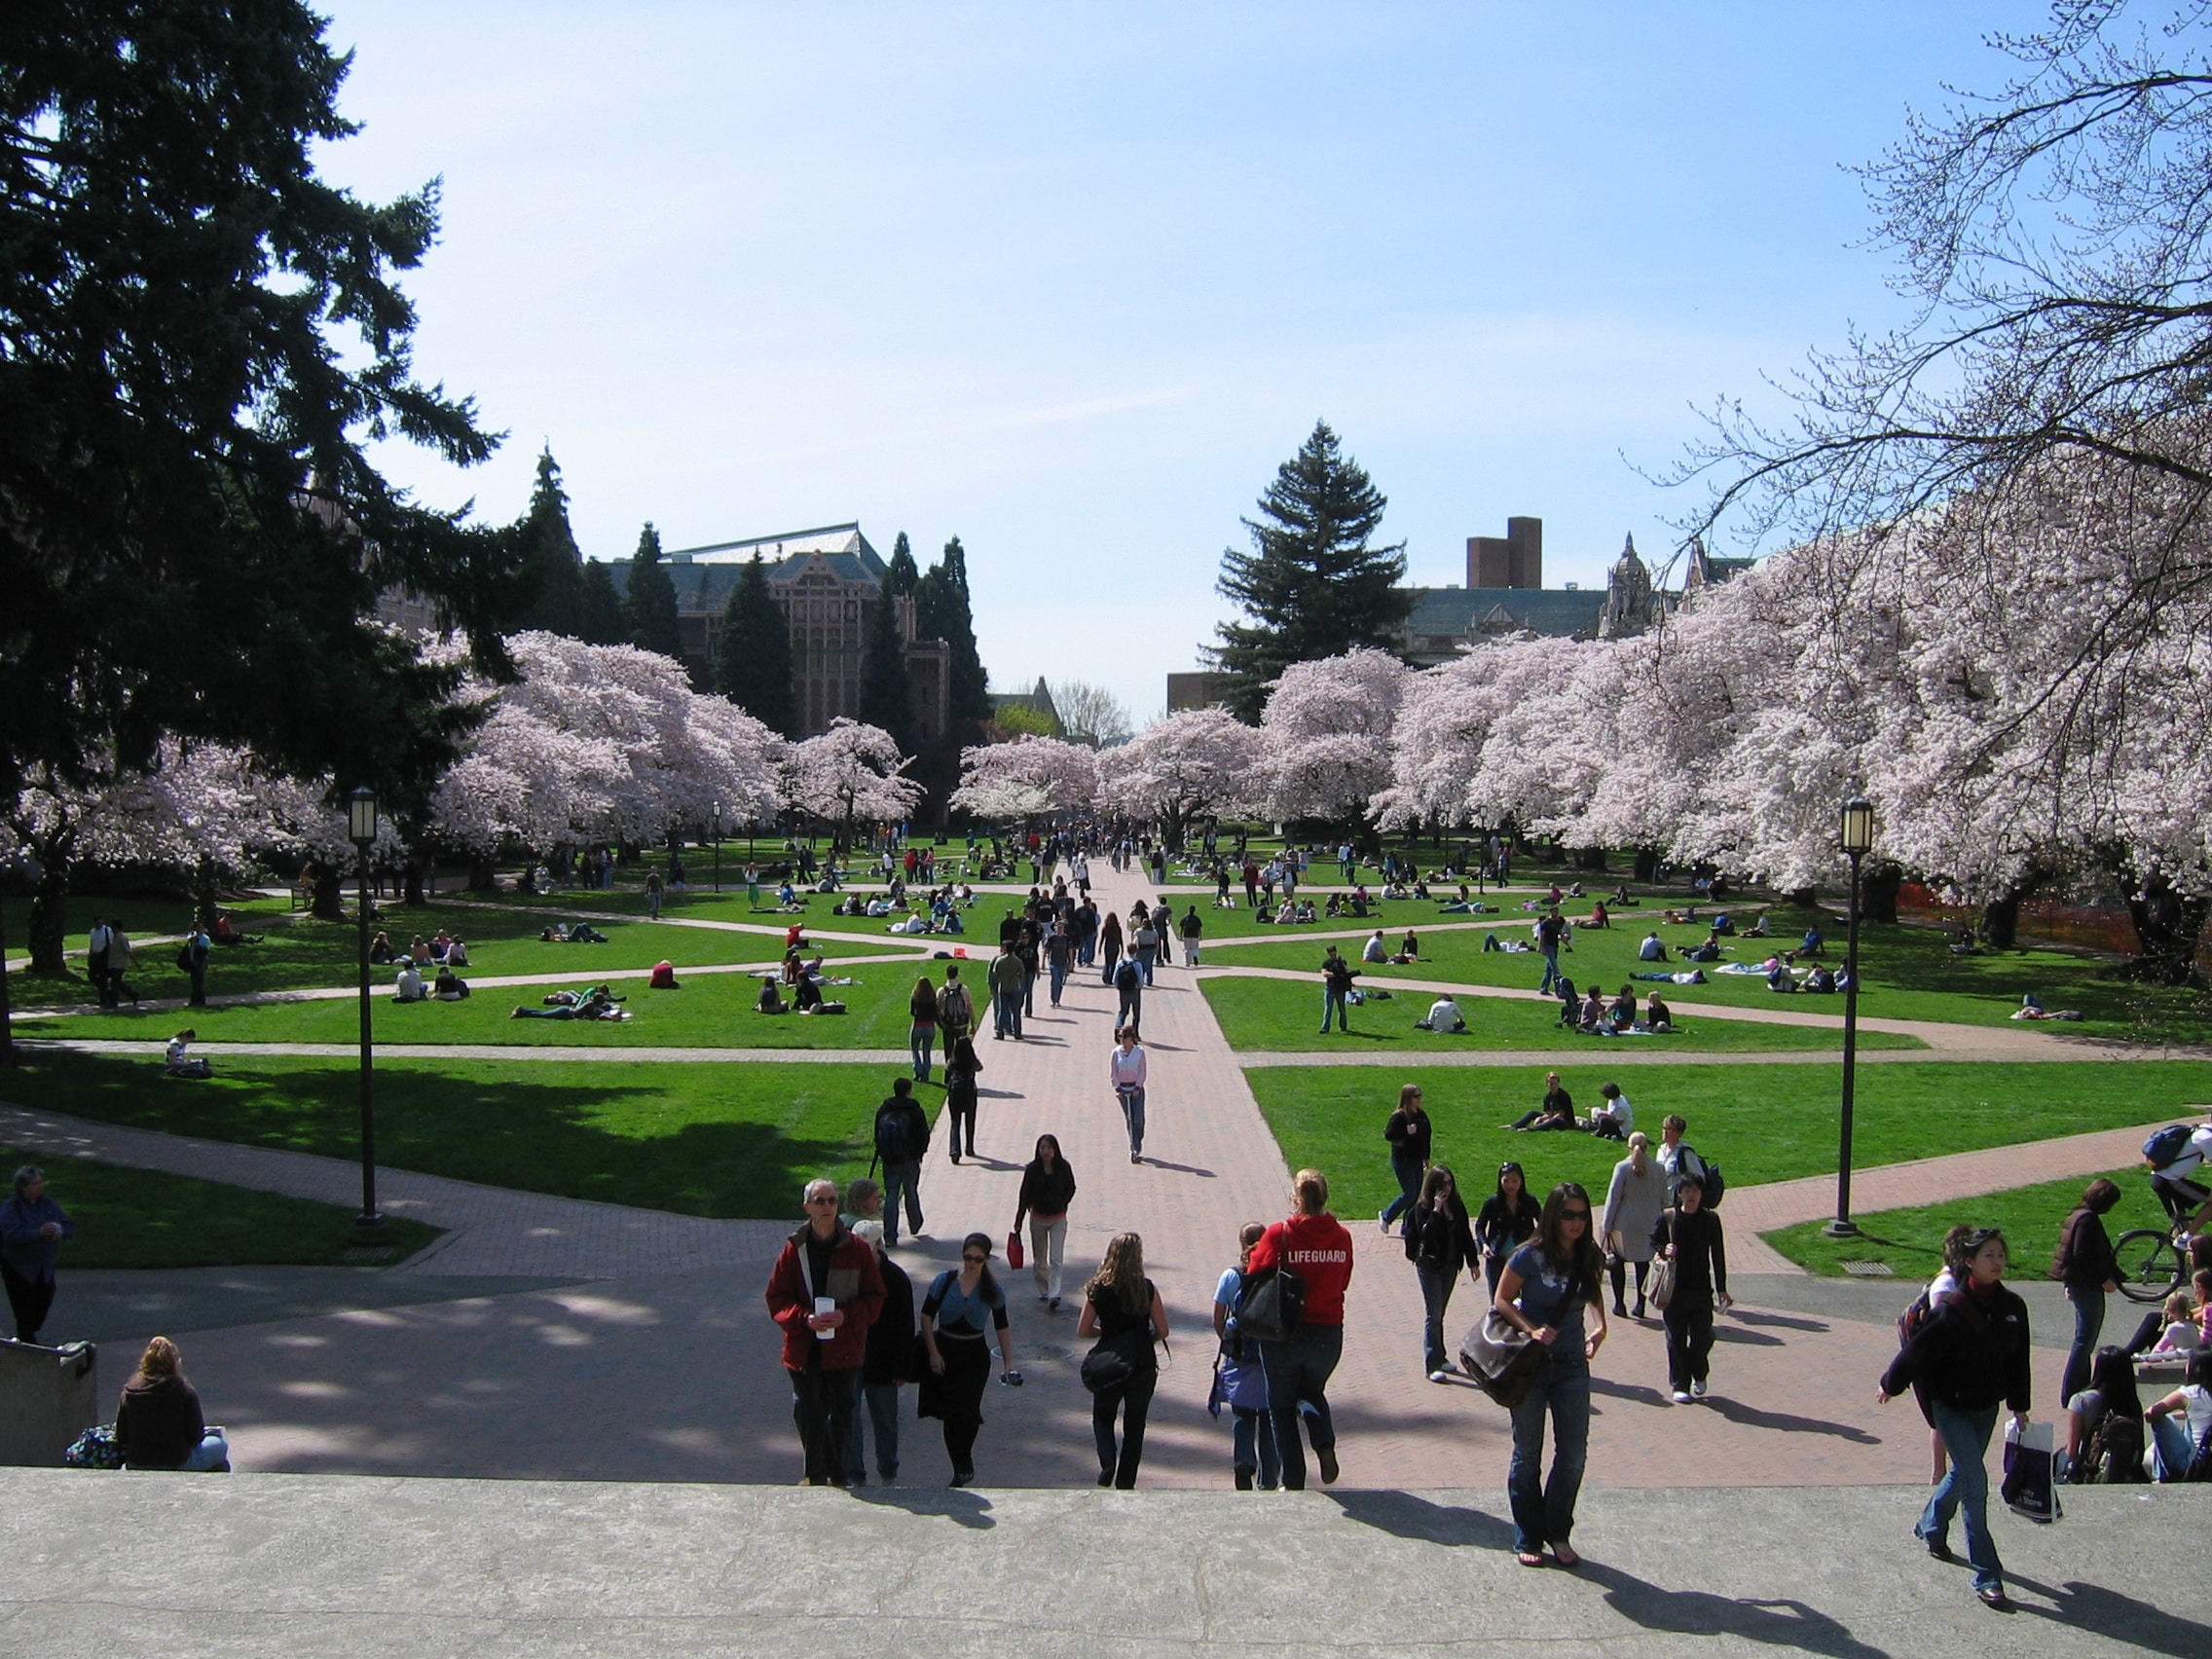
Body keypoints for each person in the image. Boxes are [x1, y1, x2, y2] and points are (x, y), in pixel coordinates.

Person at [1876, 1227, 2032, 1609]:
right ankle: (1987, 1574)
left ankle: (1931, 1524)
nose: (1997, 1262)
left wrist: (2020, 1404)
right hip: (1951, 1407)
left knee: (1964, 1472)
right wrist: (1890, 1384)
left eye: (2000, 1255)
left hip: (1986, 1406)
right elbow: (1918, 1352)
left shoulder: (2013, 1307)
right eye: (1988, 1256)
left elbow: (2018, 1359)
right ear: (1969, 1263)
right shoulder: (1952, 1310)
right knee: (1976, 1482)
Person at [1493, 1182, 1608, 1568]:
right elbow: (1502, 1299)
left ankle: (1557, 1530)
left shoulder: (1587, 1253)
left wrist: (1601, 1324)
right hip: (1532, 1366)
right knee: (1528, 1454)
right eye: (1569, 1215)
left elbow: (1592, 1291)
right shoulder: (1529, 1255)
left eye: (1582, 1215)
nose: (1577, 1223)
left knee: (1573, 1454)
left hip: (1573, 1365)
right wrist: (1531, 1329)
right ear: (1553, 1216)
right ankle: (1528, 1533)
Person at [764, 1178, 885, 1487]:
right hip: (804, 1350)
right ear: (807, 1207)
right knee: (807, 1411)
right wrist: (804, 1318)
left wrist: (845, 1316)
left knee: (842, 1414)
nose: (827, 1207)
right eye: (820, 1201)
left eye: (832, 1200)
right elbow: (776, 1298)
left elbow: (875, 1297)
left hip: (843, 1349)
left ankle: (838, 1474)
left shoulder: (856, 1250)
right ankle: (814, 1474)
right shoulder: (794, 1250)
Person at [1246, 1169, 1354, 1491]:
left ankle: (1293, 1481)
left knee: (1280, 1406)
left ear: (1295, 1198)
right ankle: (1324, 1444)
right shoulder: (1342, 1237)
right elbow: (1344, 1279)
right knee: (1311, 1390)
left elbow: (1254, 1273)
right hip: (1328, 1334)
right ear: (1326, 1197)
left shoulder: (1280, 1234)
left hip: (1284, 1333)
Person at [918, 1234, 1018, 1488]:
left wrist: (1009, 1363)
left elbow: (1002, 1327)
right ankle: (959, 1466)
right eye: (967, 1257)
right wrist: (933, 1352)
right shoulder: (945, 1281)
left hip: (974, 1356)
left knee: (968, 1411)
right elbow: (927, 1316)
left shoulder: (993, 1290)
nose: (972, 1263)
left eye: (978, 1259)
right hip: (946, 1350)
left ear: (986, 1260)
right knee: (950, 1414)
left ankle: (965, 1460)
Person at [1078, 1233, 1171, 1488]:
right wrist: (1144, 1339)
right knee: (1135, 1423)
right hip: (1141, 1362)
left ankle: (1108, 1460)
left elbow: (1083, 1330)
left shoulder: (1098, 1289)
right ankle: (1126, 1481)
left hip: (1110, 1360)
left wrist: (1106, 1334)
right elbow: (1163, 1330)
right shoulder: (1146, 1288)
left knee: (1102, 1416)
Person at [1651, 1169, 1730, 1402]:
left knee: (1702, 1336)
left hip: (1701, 1290)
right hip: (1674, 1290)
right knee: (1675, 1338)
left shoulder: (1710, 1219)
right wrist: (1663, 1249)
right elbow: (1655, 1240)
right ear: (1679, 1194)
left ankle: (1700, 1372)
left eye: (1695, 1190)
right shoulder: (1668, 1217)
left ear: (1701, 1193)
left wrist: (1722, 1288)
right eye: (1686, 1191)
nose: (1691, 1195)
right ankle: (1680, 1384)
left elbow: (1718, 1254)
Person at [845, 1220, 911, 1487]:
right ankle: (854, 1475)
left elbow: (905, 1325)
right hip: (849, 1359)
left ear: (878, 1246)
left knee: (885, 1420)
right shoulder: (844, 1274)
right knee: (849, 1419)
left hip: (883, 1363)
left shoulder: (895, 1279)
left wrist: (902, 1368)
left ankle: (888, 1473)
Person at [2052, 1177, 2123, 1405]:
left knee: (2083, 1339)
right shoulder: (2088, 1220)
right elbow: (2081, 1254)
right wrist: (2103, 1279)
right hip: (2088, 1285)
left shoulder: (2076, 1214)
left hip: (2078, 1283)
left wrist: (2067, 1283)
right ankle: (2073, 1390)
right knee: (2085, 1340)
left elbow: (2067, 1254)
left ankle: (2079, 1386)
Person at [1406, 1164, 1478, 1382]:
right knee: (1433, 1314)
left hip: (1449, 1265)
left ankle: (1440, 1355)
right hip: (1429, 1267)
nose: (1446, 1188)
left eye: (1449, 1182)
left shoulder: (1456, 1206)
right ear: (1432, 1187)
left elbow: (1465, 1233)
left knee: (1440, 1314)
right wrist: (1437, 1211)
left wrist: (1473, 1261)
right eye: (1441, 1184)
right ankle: (1431, 1364)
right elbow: (1426, 1235)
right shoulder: (1422, 1209)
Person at [114, 1337, 229, 1471]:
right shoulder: (184, 1391)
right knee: (220, 1445)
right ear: (174, 1363)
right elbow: (196, 1437)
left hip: (137, 1463)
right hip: (176, 1462)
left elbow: (121, 1436)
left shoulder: (129, 1392)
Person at [2, 1165, 72, 1345]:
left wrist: (60, 1231)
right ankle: (28, 1344)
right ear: (23, 1188)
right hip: (19, 1267)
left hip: (43, 1265)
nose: (40, 1187)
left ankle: (29, 1333)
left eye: (41, 1182)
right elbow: (11, 1235)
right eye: (35, 1184)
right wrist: (38, 1232)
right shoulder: (12, 1208)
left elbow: (68, 1224)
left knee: (45, 1297)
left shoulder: (48, 1203)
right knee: (24, 1308)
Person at [1601, 1133, 1666, 1319]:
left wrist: (1606, 1226)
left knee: (1617, 1262)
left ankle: (1619, 1303)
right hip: (1649, 1224)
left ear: (1629, 1147)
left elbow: (1613, 1199)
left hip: (1624, 1224)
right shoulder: (1659, 1169)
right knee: (1642, 1263)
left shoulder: (1622, 1168)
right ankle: (1640, 1304)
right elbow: (1665, 1200)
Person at [2064, 1345, 2147, 1481]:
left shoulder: (2081, 1400)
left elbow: (2072, 1451)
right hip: (2126, 1472)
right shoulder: (2132, 1402)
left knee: (2060, 1455)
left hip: (2092, 1469)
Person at [1014, 1134, 1077, 1311]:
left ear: (1055, 1150)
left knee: (1056, 1259)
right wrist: (1018, 1220)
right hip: (1038, 1219)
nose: (1046, 1151)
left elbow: (1071, 1188)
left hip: (1058, 1218)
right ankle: (1044, 1290)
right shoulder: (1032, 1169)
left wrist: (1062, 1203)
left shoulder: (1063, 1167)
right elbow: (1024, 1194)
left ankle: (1054, 1293)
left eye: (1049, 1148)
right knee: (1040, 1259)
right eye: (1042, 1148)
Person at [872, 1079, 930, 1246]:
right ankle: (915, 1223)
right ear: (908, 1090)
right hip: (909, 1158)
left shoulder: (884, 1109)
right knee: (910, 1190)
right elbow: (923, 1134)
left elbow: (877, 1132)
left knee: (891, 1194)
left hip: (890, 1160)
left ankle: (890, 1235)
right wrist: (920, 1153)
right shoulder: (915, 1110)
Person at [1475, 1161, 1544, 1298]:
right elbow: (1480, 1226)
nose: (1510, 1185)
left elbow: (1543, 1223)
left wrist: (1531, 1241)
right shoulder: (1493, 1202)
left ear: (1521, 1181)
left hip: (1523, 1257)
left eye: (1514, 1181)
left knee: (1524, 1300)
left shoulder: (1528, 1201)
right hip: (1497, 1258)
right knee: (1498, 1299)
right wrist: (1484, 1245)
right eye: (1506, 1181)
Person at [2145, 1349, 2212, 1479]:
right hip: (2209, 1457)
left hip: (2195, 1464)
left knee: (2160, 1420)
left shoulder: (2190, 1392)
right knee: (2189, 1418)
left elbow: (2150, 1414)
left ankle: (2161, 1476)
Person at [1380, 1084, 1432, 1236]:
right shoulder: (1399, 1116)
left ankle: (1407, 1228)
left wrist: (1426, 1156)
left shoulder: (1421, 1116)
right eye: (1416, 1096)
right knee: (1409, 1193)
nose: (1419, 1099)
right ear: (1408, 1098)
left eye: (1420, 1095)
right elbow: (1389, 1134)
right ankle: (1386, 1215)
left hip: (1417, 1159)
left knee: (1415, 1195)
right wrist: (1405, 1135)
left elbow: (1426, 1136)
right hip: (1403, 1160)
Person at [1110, 1026, 1149, 1163]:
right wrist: (1117, 1088)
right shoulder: (1116, 1053)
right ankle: (1135, 1148)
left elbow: (1142, 1071)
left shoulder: (1139, 1053)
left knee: (1139, 1118)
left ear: (1131, 1038)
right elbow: (1113, 1072)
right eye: (1120, 1037)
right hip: (1123, 1090)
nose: (1121, 1040)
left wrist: (1138, 1086)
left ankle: (1138, 1138)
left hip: (1136, 1089)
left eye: (1124, 1037)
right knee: (1129, 1118)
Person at [941, 1034, 982, 1163]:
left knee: (955, 1121)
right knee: (970, 1121)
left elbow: (947, 1070)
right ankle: (969, 1147)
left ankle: (954, 1149)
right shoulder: (971, 1060)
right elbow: (980, 1067)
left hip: (955, 1092)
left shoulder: (953, 1060)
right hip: (969, 1091)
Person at [1652, 1114, 1706, 1203]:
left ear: (1679, 1133)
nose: (1664, 1132)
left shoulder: (1685, 1152)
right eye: (1664, 1128)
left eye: (1669, 1129)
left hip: (1678, 1201)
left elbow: (1700, 1177)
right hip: (1661, 1199)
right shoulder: (1661, 1150)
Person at [1506, 1072, 1575, 1132]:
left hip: (1565, 1122)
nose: (1553, 1086)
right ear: (1547, 1084)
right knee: (1532, 1113)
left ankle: (1531, 1129)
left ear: (1558, 1084)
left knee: (1556, 1120)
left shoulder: (1563, 1096)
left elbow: (1560, 1115)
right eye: (1551, 1084)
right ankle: (1514, 1126)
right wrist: (1541, 1118)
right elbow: (1549, 1114)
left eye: (1555, 1083)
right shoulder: (1548, 1097)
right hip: (1553, 1117)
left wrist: (1546, 1121)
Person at [935, 964, 974, 1050]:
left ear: (947, 974)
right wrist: (972, 1024)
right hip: (961, 1024)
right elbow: (969, 1007)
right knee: (963, 1050)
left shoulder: (941, 991)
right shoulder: (964, 989)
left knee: (949, 1050)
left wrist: (940, 1023)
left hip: (948, 1024)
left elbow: (937, 1008)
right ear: (957, 974)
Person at [1319, 947, 1356, 1034]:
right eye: (1331, 954)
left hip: (1340, 988)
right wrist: (1335, 974)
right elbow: (1324, 973)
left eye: (1334, 953)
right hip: (1330, 988)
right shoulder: (1327, 963)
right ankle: (1325, 1028)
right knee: (1328, 1009)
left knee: (1342, 1009)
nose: (1333, 955)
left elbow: (1346, 972)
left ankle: (1343, 1027)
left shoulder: (1341, 962)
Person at [1113, 952, 1144, 1041]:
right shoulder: (1137, 964)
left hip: (1123, 990)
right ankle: (1134, 1035)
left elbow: (1115, 977)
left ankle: (1118, 1027)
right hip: (1134, 990)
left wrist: (1118, 986)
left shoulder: (1121, 963)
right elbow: (1140, 979)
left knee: (1123, 1011)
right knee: (1136, 1014)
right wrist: (1139, 987)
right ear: (1135, 952)